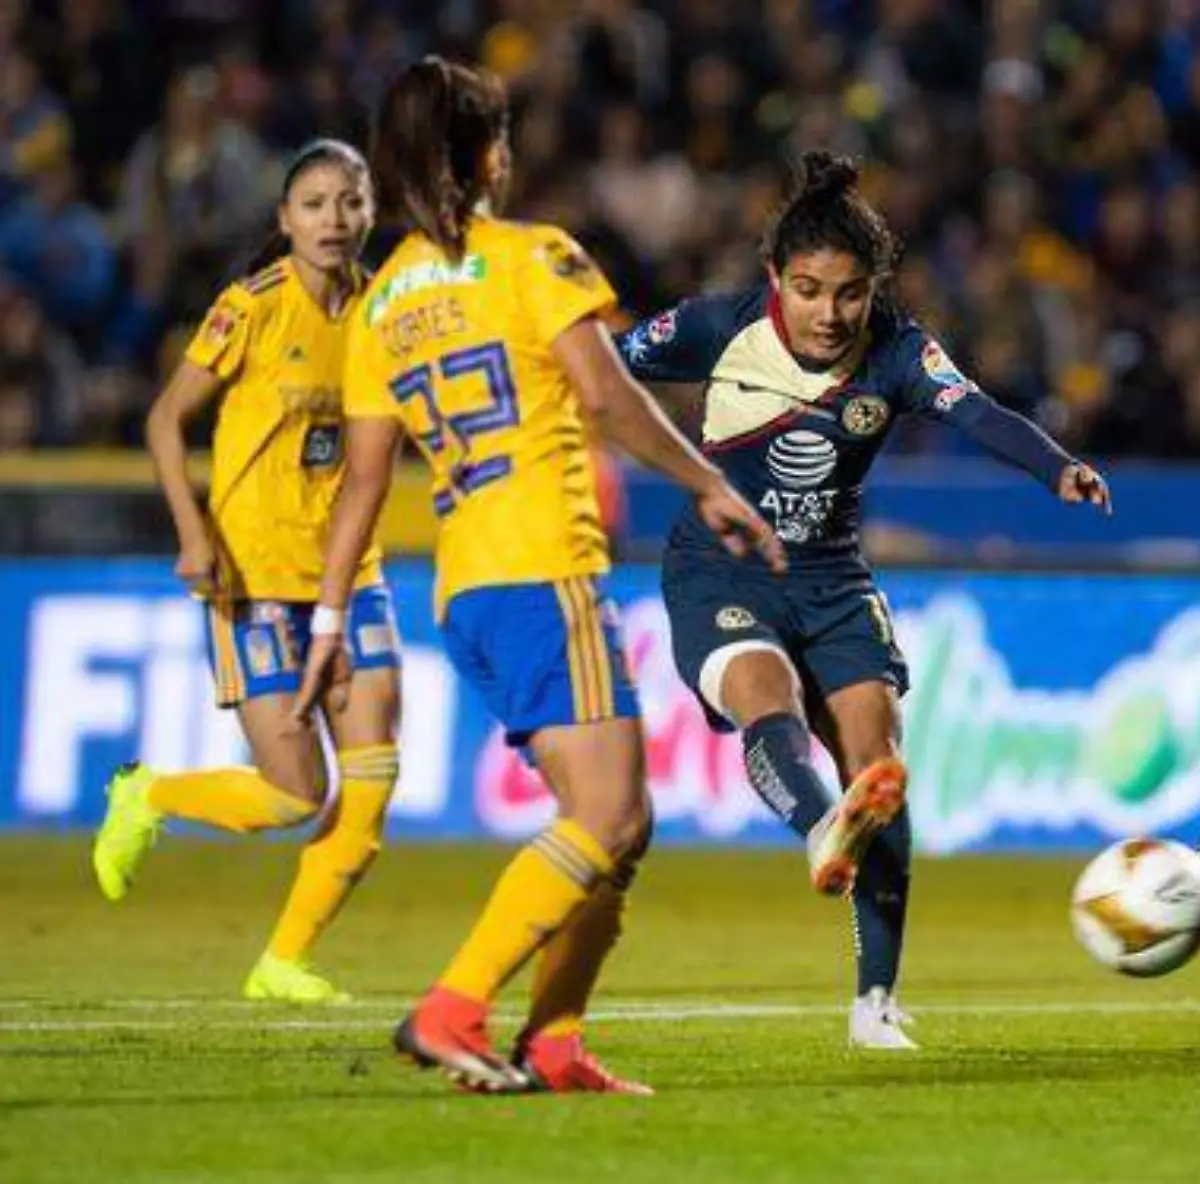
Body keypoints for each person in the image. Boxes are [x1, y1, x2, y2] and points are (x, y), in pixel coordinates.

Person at [291, 57, 779, 1095]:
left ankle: (553, 1042)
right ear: (482, 154)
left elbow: (365, 478)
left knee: (621, 821)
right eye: (499, 137)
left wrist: (328, 612)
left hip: (467, 583)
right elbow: (602, 396)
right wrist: (705, 482)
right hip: (543, 563)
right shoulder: (534, 258)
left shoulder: (380, 304)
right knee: (604, 816)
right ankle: (451, 1006)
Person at [616, 150, 1111, 1050]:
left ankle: (874, 1003)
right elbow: (602, 370)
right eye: (808, 291)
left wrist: (1057, 468)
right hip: (721, 572)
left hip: (834, 582)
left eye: (848, 294)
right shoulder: (716, 325)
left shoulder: (900, 348)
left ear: (872, 288)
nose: (829, 313)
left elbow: (980, 414)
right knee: (764, 695)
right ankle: (819, 831)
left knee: (878, 766)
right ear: (776, 279)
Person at [92, 140, 399, 1006]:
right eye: (313, 204)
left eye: (349, 202)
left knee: (372, 783)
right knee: (296, 793)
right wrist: (195, 535)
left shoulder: (385, 311)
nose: (332, 220)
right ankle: (148, 793)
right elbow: (164, 420)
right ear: (284, 220)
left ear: (370, 212)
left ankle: (284, 962)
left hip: (352, 576)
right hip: (256, 578)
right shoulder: (251, 307)